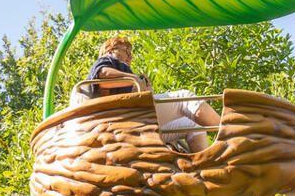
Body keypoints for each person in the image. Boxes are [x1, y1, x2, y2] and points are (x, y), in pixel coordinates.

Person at [85, 36, 222, 152]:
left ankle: (204, 165)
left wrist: (146, 91)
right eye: (126, 51)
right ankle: (229, 131)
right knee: (185, 98)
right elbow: (103, 76)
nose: (130, 56)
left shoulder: (123, 72)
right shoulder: (108, 60)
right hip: (126, 118)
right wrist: (135, 79)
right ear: (110, 50)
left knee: (193, 125)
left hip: (136, 120)